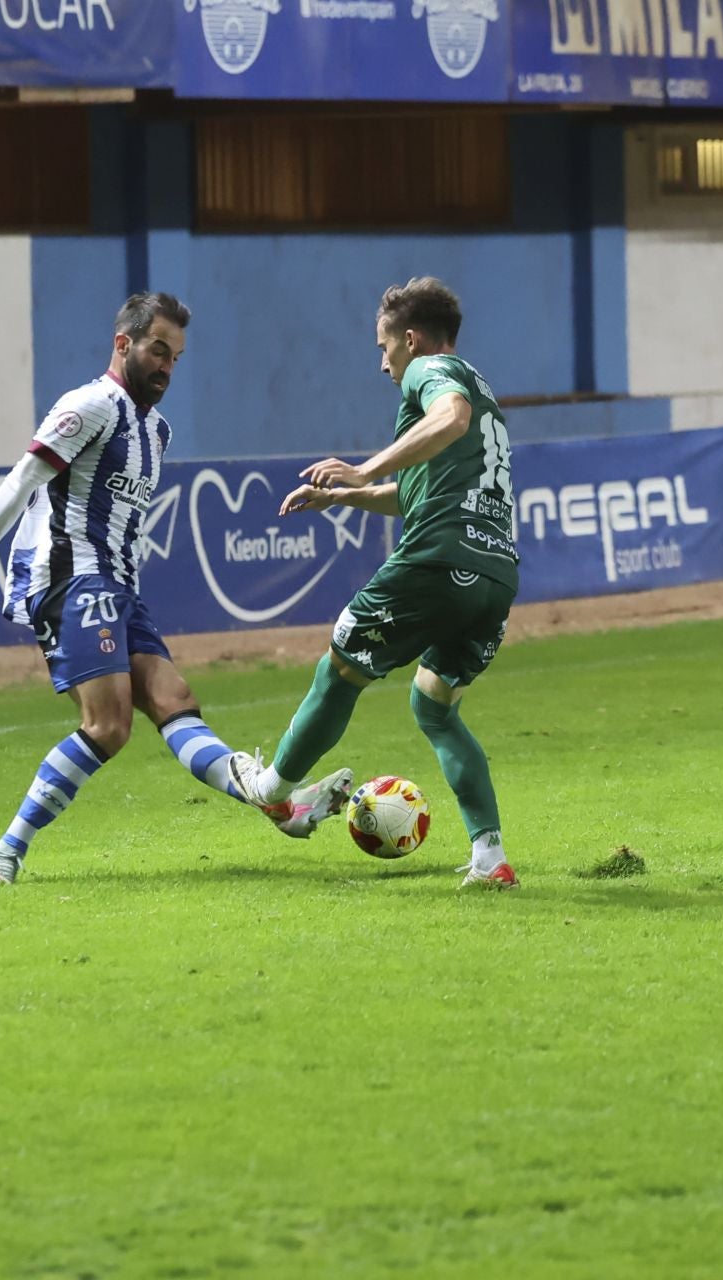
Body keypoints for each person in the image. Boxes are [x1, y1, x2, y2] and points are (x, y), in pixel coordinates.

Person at [0, 292, 353, 886]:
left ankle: (276, 803)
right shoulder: (88, 405)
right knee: (109, 726)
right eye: (157, 351)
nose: (167, 368)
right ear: (123, 344)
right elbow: (24, 479)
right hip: (71, 577)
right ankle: (3, 852)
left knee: (174, 701)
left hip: (119, 585)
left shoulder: (157, 430)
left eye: (175, 357)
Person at [227, 277, 521, 889]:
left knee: (339, 669)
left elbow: (450, 418)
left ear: (411, 340)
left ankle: (273, 790)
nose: (382, 362)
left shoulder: (432, 373)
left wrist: (362, 465)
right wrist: (352, 495)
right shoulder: (481, 384)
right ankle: (490, 858)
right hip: (494, 575)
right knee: (433, 707)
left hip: (437, 563)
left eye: (384, 346)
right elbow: (419, 494)